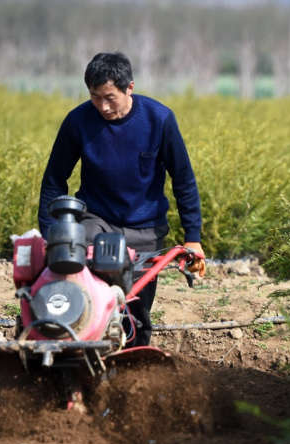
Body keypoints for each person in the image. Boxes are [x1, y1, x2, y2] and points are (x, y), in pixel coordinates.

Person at [38, 51, 206, 347]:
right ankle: (76, 356)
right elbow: (54, 179)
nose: (103, 106)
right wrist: (52, 235)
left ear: (130, 87)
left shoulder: (159, 119)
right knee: (82, 294)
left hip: (145, 227)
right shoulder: (78, 122)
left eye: (109, 97)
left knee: (135, 313)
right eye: (94, 97)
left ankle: (132, 366)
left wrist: (193, 237)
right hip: (96, 219)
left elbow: (183, 180)